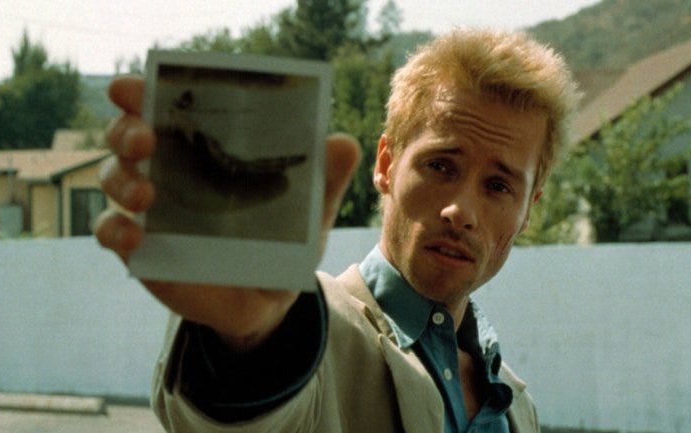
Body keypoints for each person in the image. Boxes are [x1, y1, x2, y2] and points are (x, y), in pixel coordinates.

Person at [95, 28, 580, 433]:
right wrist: (246, 342)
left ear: (528, 210)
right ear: (386, 165)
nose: (461, 210)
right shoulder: (310, 335)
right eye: (440, 166)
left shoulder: (517, 408)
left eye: (499, 186)